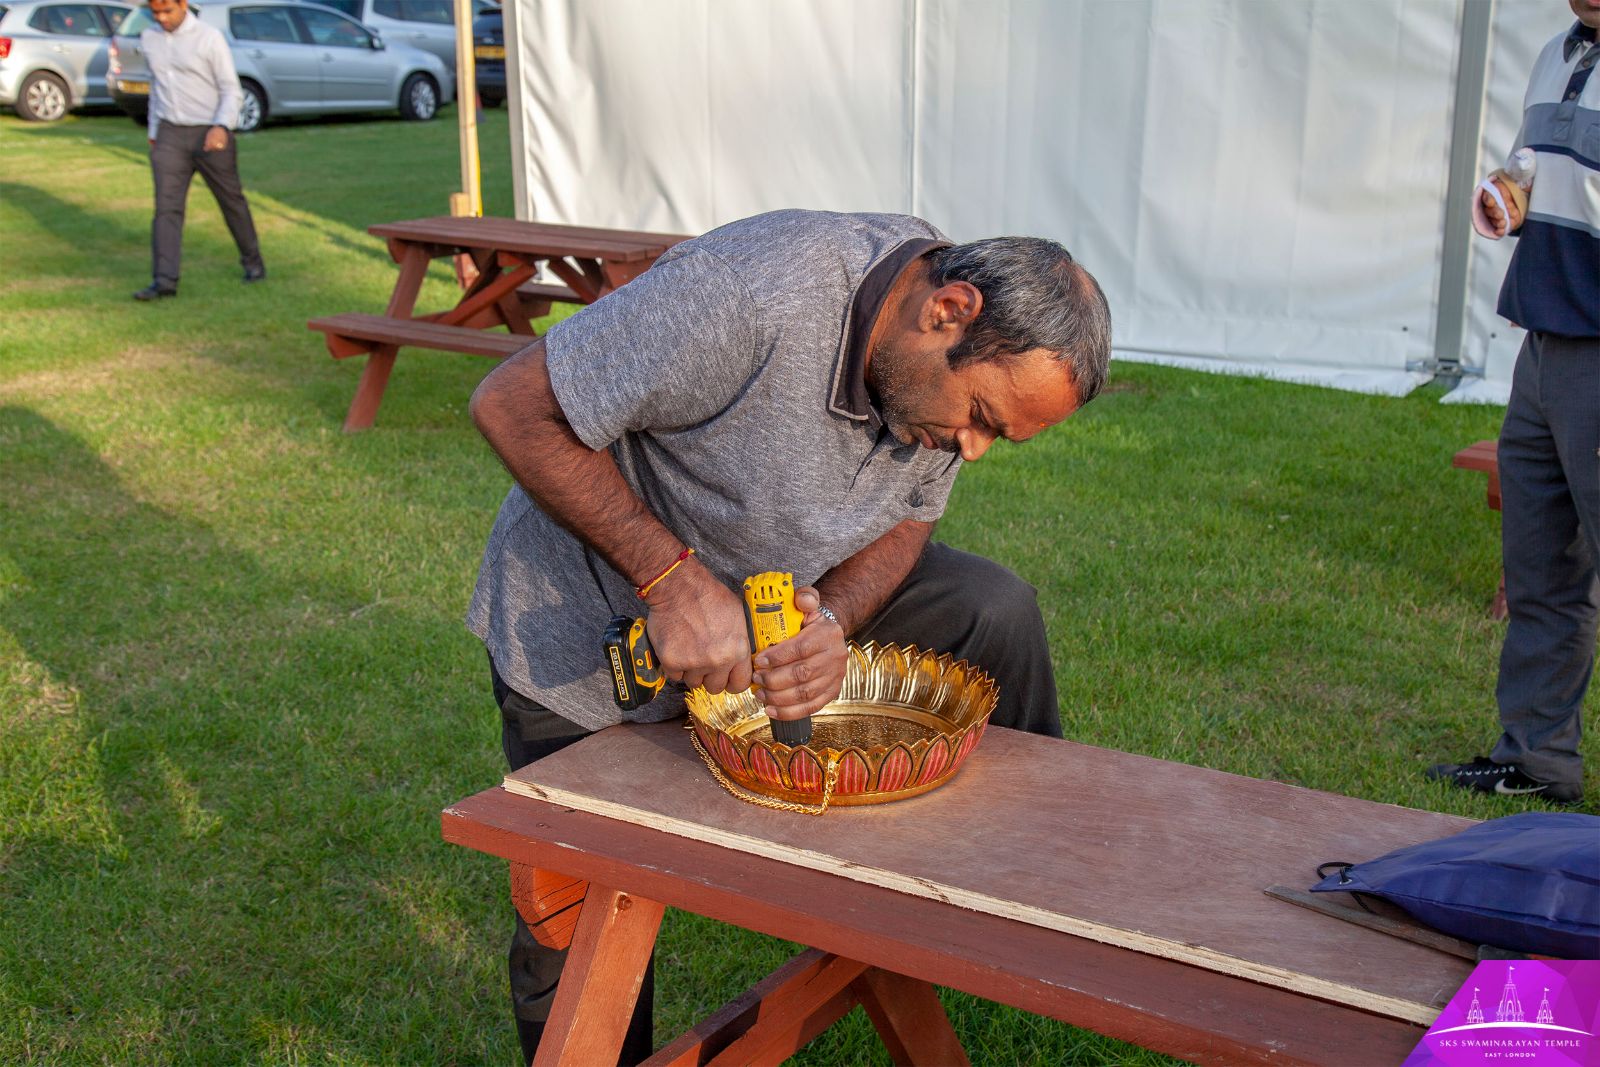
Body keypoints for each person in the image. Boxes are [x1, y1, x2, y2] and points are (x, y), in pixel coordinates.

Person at [466, 208, 1111, 1064]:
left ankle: (1022, 903)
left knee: (991, 606)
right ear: (947, 310)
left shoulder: (926, 374)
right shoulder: (751, 295)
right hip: (593, 626)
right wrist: (673, 583)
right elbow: (510, 405)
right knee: (574, 907)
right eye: (982, 417)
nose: (973, 449)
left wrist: (835, 618)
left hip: (772, 602)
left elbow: (911, 514)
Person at [1428, 0, 1600, 806]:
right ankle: (1538, 759)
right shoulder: (1555, 54)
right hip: (1542, 339)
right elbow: (1535, 172)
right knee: (1543, 569)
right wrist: (1509, 196)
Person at [133, 0, 265, 301]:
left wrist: (222, 126)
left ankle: (253, 263)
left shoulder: (209, 37)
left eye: (168, 11)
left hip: (210, 132)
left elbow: (230, 88)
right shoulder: (149, 38)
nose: (162, 18)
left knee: (231, 200)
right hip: (169, 133)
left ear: (183, 5)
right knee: (166, 208)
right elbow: (157, 87)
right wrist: (154, 133)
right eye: (155, 12)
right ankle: (164, 282)